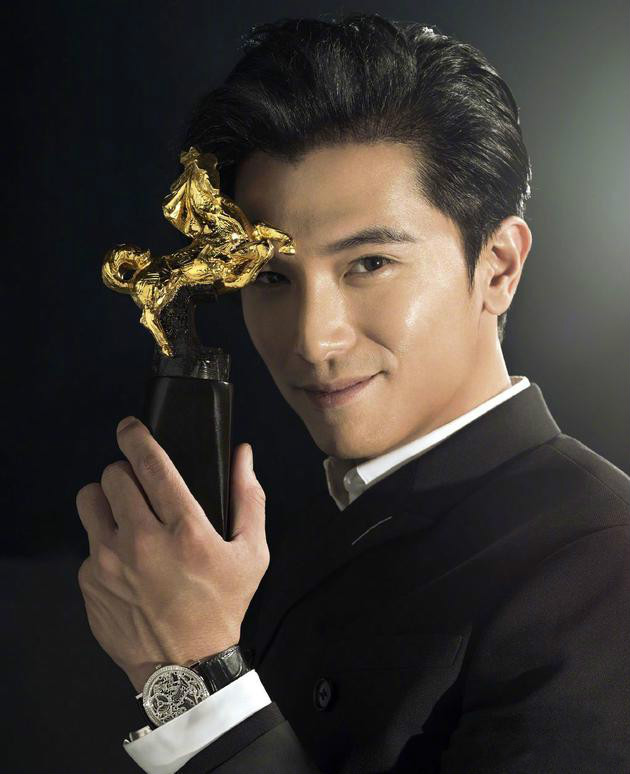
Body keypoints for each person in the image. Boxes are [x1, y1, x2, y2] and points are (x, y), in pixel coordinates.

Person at [75, 13, 630, 774]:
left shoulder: (604, 563)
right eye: (272, 277)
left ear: (498, 266)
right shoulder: (295, 535)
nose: (313, 340)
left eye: (369, 264)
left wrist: (195, 676)